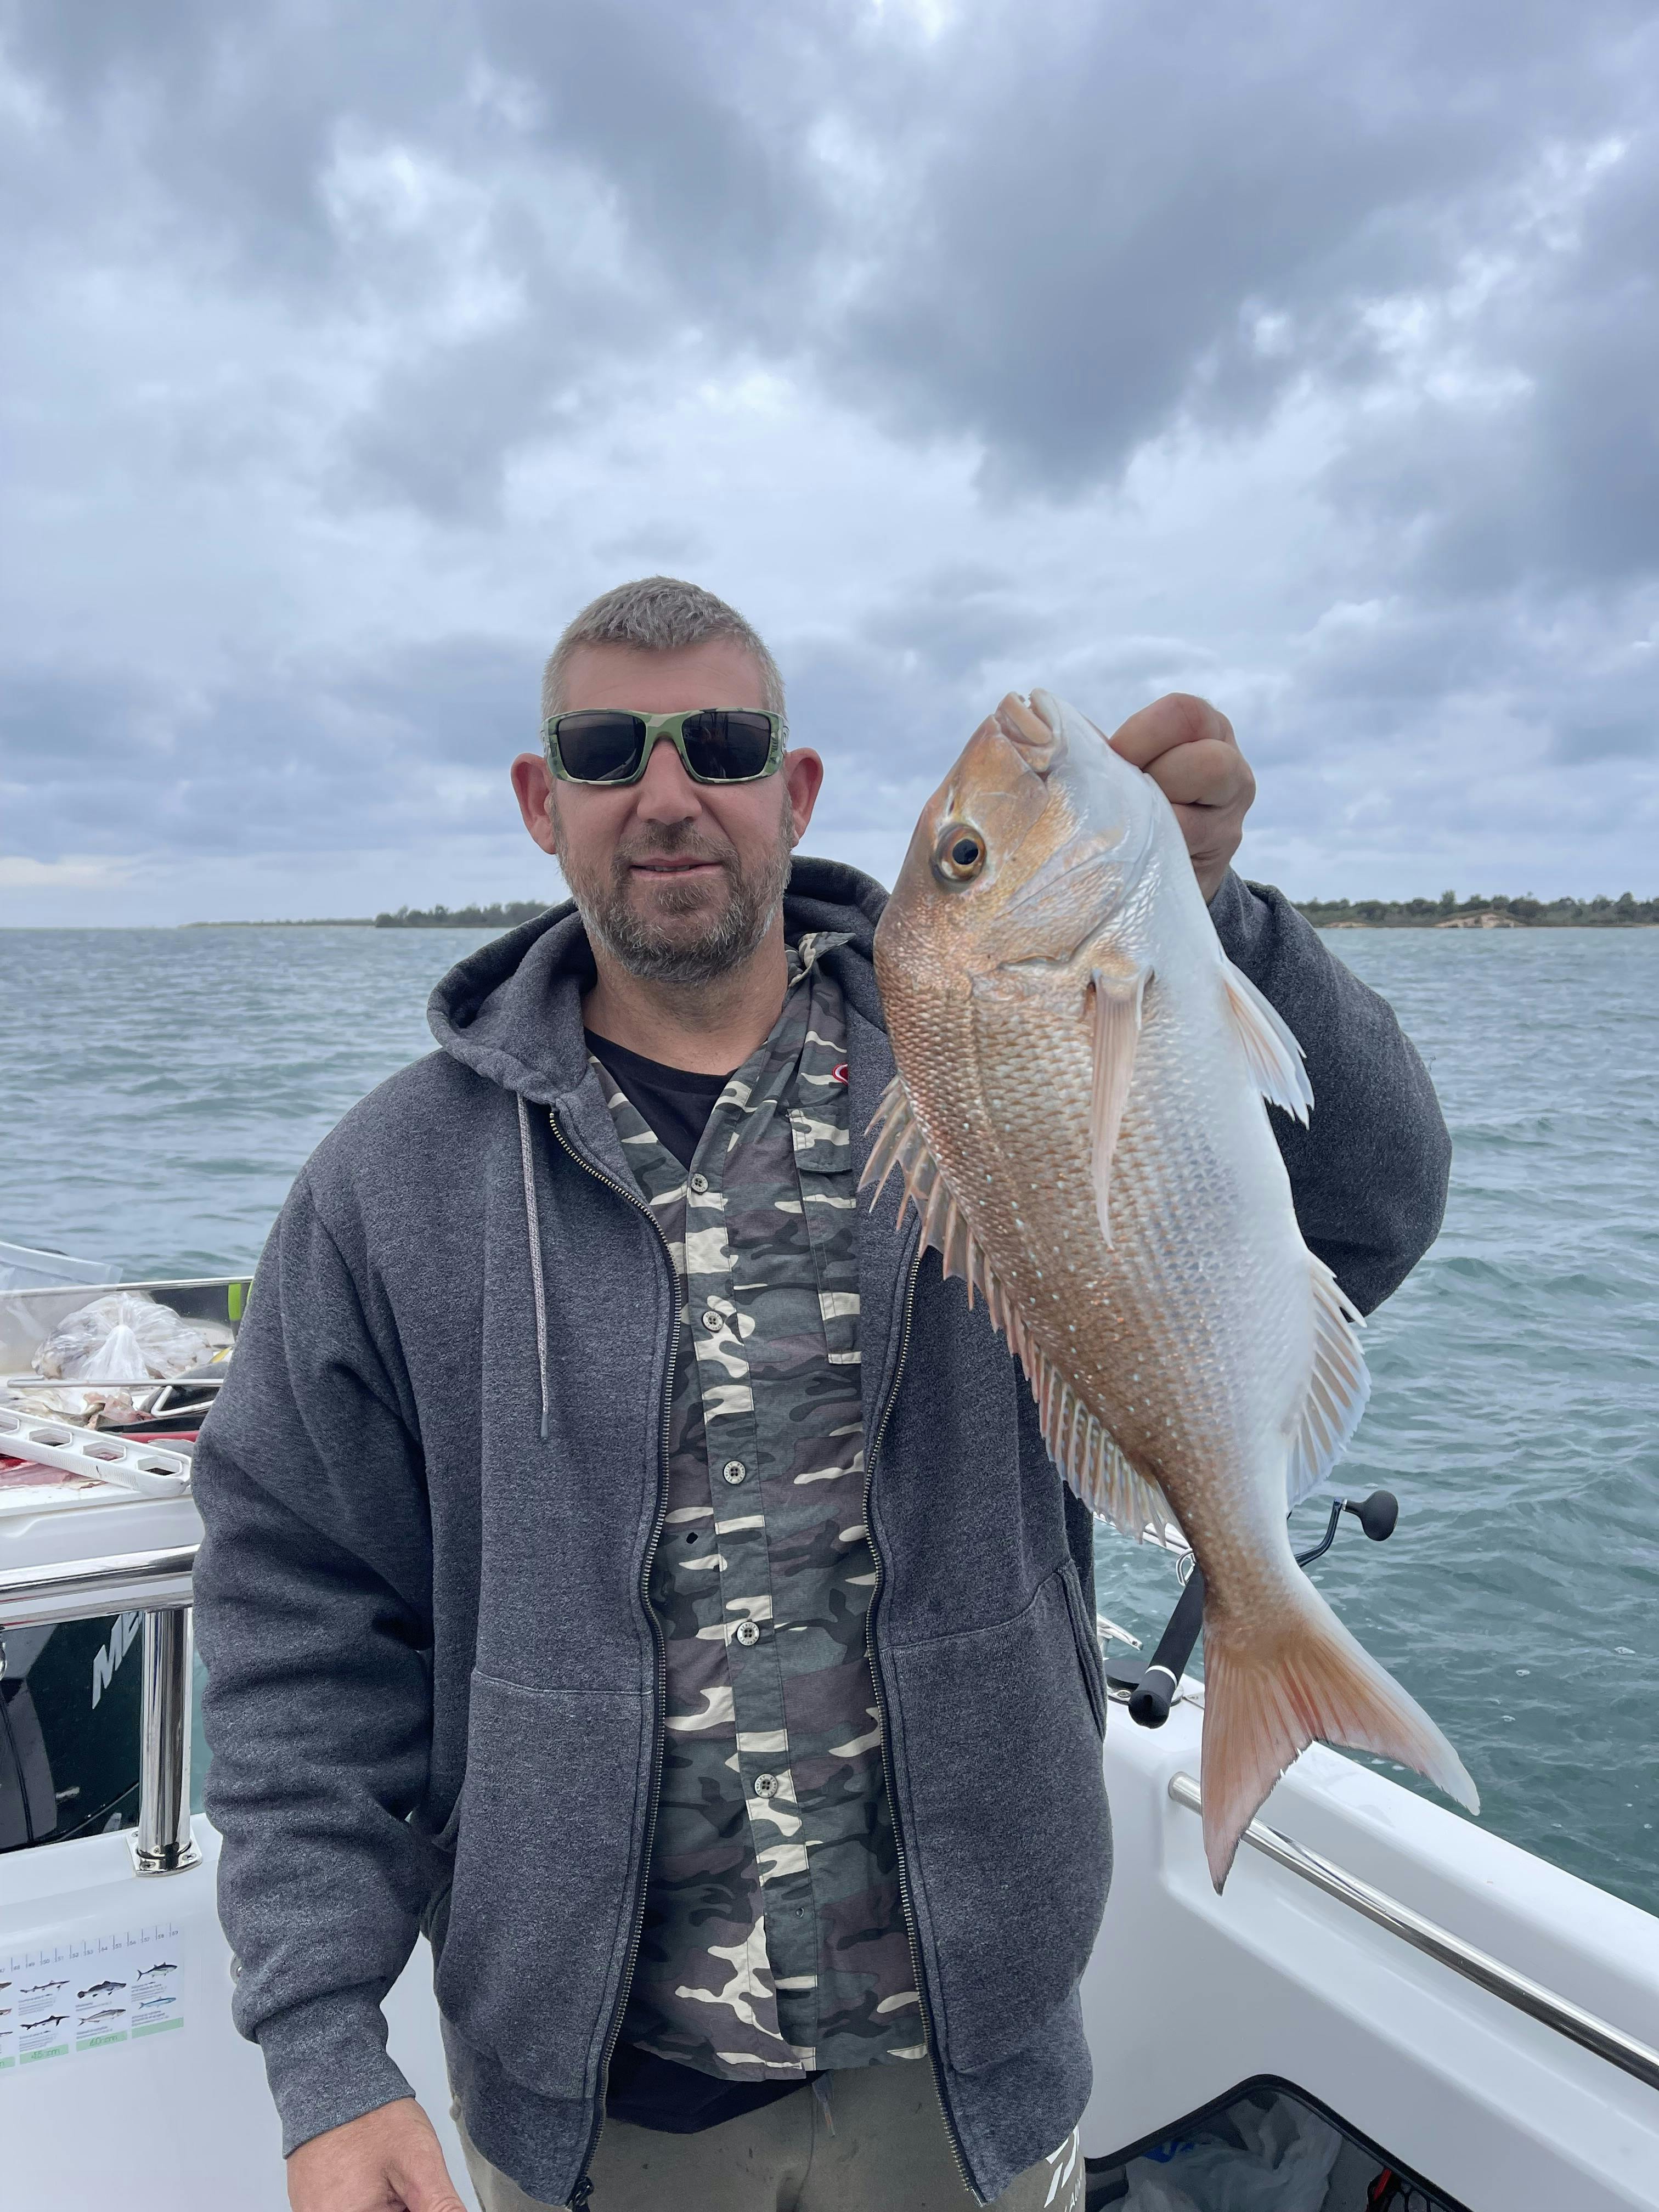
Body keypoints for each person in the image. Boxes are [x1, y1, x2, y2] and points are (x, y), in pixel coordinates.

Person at [194, 577, 1451, 2212]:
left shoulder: (1006, 1041)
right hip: (590, 2110)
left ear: (793, 794)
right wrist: (324, 2052)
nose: (666, 795)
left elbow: (1373, 1204)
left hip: (966, 2082)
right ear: (539, 802)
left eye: (722, 745)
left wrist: (1222, 918)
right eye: (604, 750)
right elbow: (299, 1609)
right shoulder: (394, 1183)